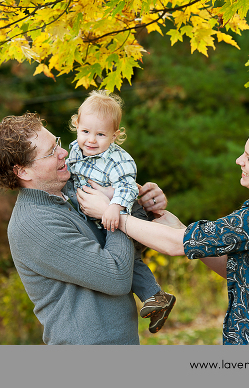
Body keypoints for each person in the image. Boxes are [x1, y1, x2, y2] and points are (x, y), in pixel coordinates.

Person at [78, 122, 249, 344]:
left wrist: (111, 214)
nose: (239, 161)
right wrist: (169, 221)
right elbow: (232, 269)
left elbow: (176, 245)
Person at [0, 113, 168, 344]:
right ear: (23, 171)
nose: (64, 153)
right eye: (51, 152)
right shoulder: (35, 225)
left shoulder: (74, 187)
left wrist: (143, 205)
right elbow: (117, 276)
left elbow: (132, 249)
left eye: (57, 143)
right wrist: (116, 207)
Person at [66, 90, 175, 332]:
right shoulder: (75, 150)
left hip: (126, 210)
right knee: (126, 260)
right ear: (76, 125)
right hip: (102, 215)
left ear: (115, 136)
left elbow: (126, 186)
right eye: (85, 131)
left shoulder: (118, 160)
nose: (91, 140)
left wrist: (115, 206)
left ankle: (155, 296)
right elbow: (69, 171)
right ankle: (156, 298)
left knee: (125, 258)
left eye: (101, 134)